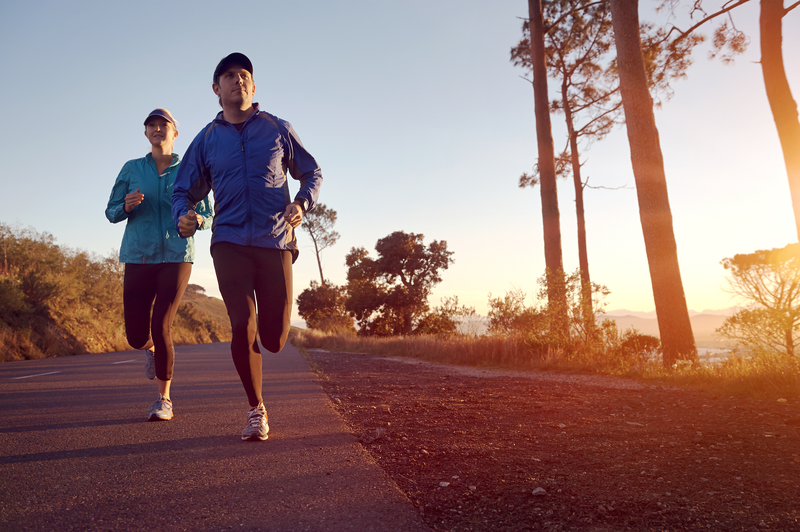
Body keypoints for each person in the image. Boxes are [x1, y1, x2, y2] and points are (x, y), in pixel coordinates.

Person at [172, 53, 323, 441]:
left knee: (273, 339)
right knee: (242, 324)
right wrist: (183, 215)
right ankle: (256, 409)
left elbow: (311, 171)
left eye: (244, 75)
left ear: (253, 86)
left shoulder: (277, 128)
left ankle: (268, 353)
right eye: (228, 76)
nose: (237, 80)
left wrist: (301, 202)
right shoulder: (206, 139)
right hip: (229, 241)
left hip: (275, 241)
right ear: (216, 89)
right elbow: (182, 190)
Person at [106, 108, 213, 422]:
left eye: (163, 125)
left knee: (161, 324)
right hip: (138, 254)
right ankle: (149, 351)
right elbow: (111, 212)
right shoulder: (131, 169)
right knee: (137, 336)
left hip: (177, 256)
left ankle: (163, 399)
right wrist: (124, 206)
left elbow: (207, 212)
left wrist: (197, 220)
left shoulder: (190, 169)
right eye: (151, 125)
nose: (157, 129)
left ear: (174, 133)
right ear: (145, 133)